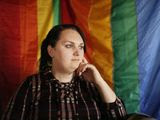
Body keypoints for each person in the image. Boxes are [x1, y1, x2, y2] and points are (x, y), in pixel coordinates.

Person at [2, 24, 127, 120]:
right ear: (51, 51)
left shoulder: (91, 84)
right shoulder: (32, 85)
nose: (78, 53)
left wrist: (99, 81)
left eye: (81, 47)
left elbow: (120, 116)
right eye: (69, 45)